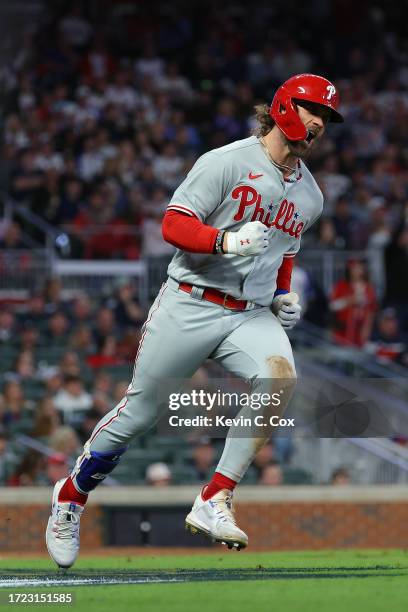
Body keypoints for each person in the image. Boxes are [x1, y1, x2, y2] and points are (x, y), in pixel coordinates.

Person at [46, 73, 343, 568]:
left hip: (249, 312)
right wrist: (224, 241)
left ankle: (215, 497)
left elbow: (284, 249)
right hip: (190, 301)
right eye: (313, 111)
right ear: (285, 107)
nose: (318, 124)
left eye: (326, 119)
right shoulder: (226, 161)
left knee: (279, 376)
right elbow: (173, 223)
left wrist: (284, 294)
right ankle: (71, 497)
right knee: (138, 416)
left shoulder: (311, 196)